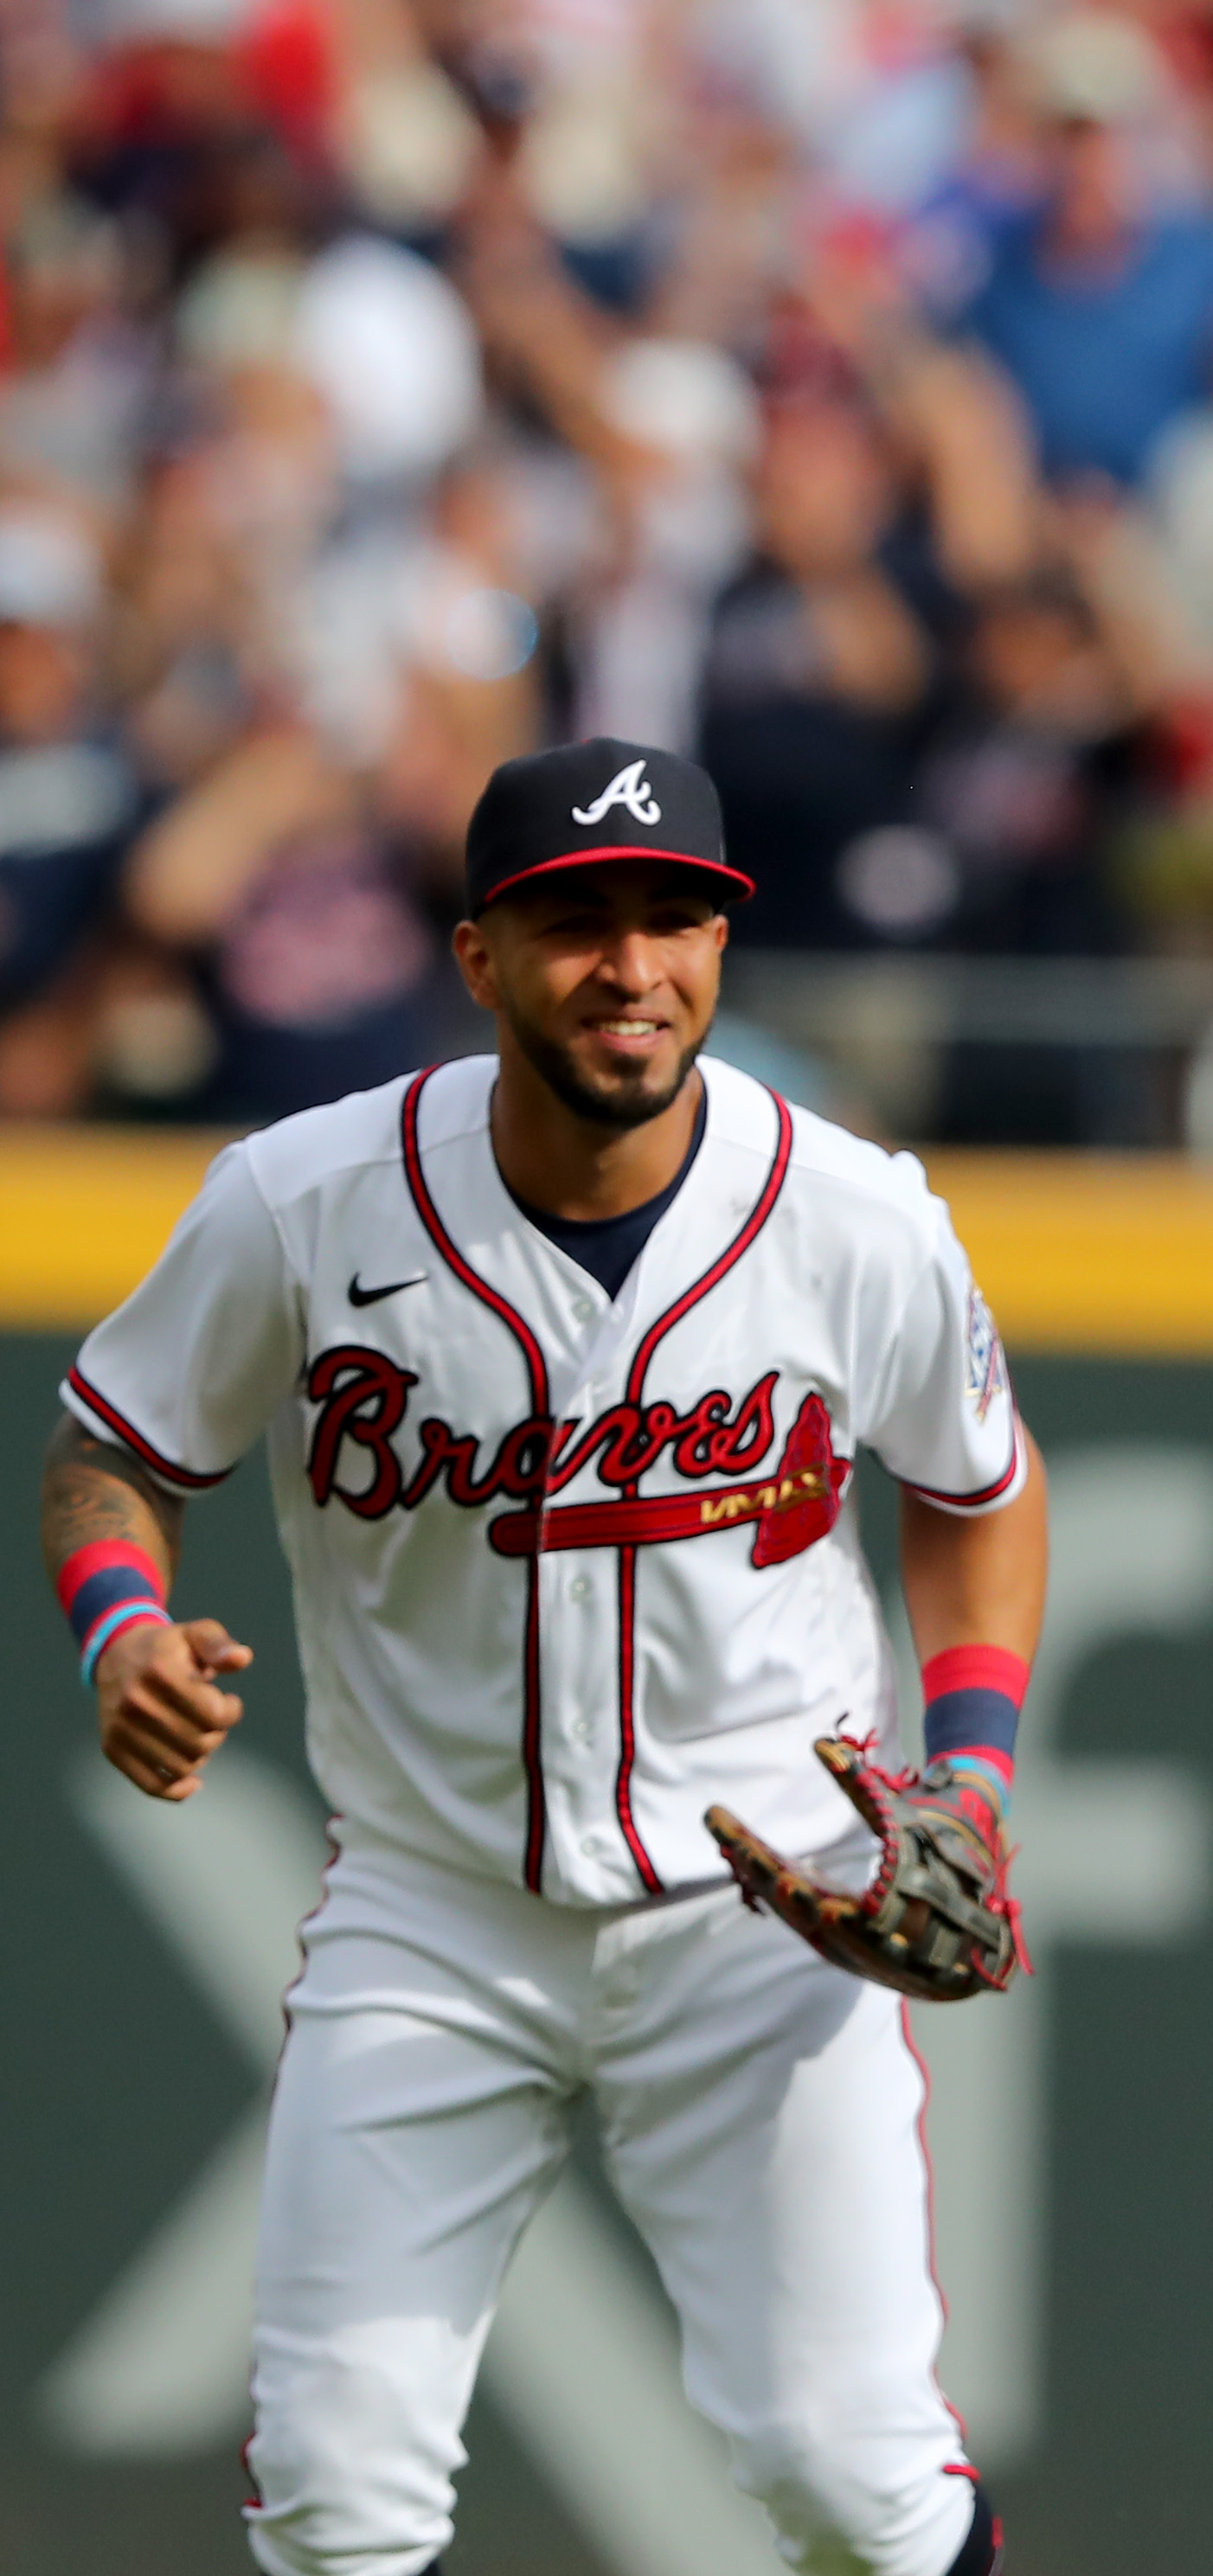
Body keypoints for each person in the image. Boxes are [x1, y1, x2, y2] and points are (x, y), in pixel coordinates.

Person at [40, 738, 1048, 2576]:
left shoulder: (852, 1216)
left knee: (850, 2475)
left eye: (674, 918)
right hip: (433, 1915)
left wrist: (969, 1773)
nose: (632, 966)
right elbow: (117, 1445)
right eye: (575, 923)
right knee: (339, 2504)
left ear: (725, 950)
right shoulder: (303, 1198)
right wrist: (118, 1625)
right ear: (478, 958)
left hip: (765, 1917)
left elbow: (980, 1486)